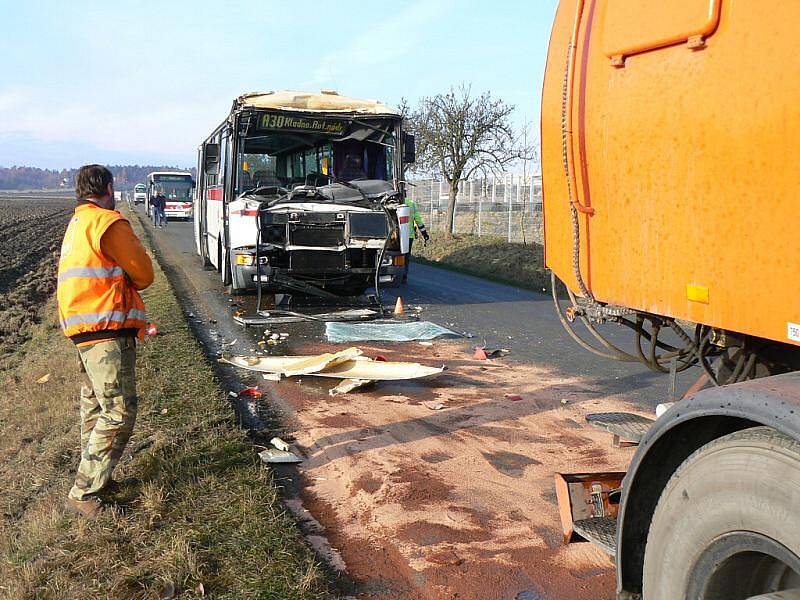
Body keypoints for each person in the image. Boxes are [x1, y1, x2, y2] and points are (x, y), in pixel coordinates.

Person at [57, 164, 153, 518]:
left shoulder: (77, 225)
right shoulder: (107, 222)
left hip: (82, 330)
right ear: (109, 188)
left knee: (95, 408)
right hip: (106, 328)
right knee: (118, 410)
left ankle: (98, 478)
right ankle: (84, 492)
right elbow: (144, 274)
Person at [403, 196, 429, 283]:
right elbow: (418, 220)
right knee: (406, 257)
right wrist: (424, 234)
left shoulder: (393, 201)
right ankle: (404, 276)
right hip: (409, 236)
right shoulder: (411, 204)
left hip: (395, 235)